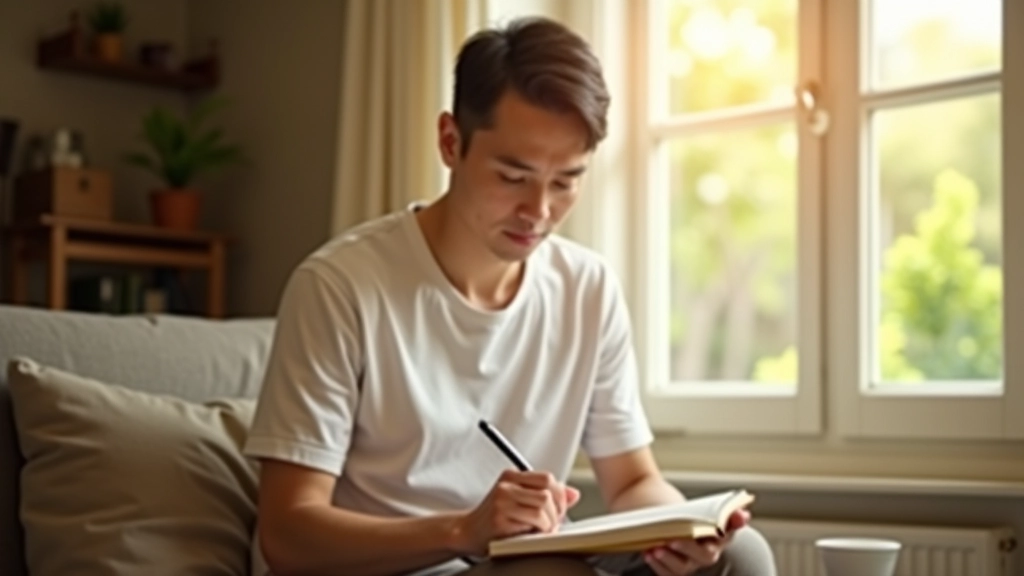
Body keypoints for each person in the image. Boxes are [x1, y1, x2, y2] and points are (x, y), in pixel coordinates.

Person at [243, 15, 777, 576]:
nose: (539, 211)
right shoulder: (339, 286)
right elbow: (288, 532)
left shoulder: (586, 289)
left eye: (566, 181)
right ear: (451, 143)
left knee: (740, 557)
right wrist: (463, 530)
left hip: (519, 566)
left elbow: (634, 480)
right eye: (513, 176)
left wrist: (680, 531)